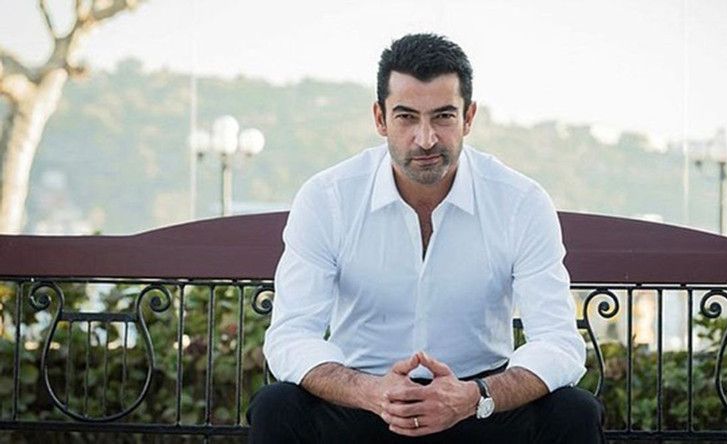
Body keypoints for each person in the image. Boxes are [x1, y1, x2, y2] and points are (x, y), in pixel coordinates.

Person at [248, 33, 605, 443]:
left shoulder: (520, 202)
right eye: (406, 117)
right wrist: (371, 392)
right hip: (364, 403)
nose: (425, 138)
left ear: (468, 117)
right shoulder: (328, 198)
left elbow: (558, 341)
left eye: (443, 116)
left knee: (574, 411)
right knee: (277, 407)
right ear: (380, 119)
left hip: (477, 405)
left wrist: (475, 396)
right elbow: (291, 334)